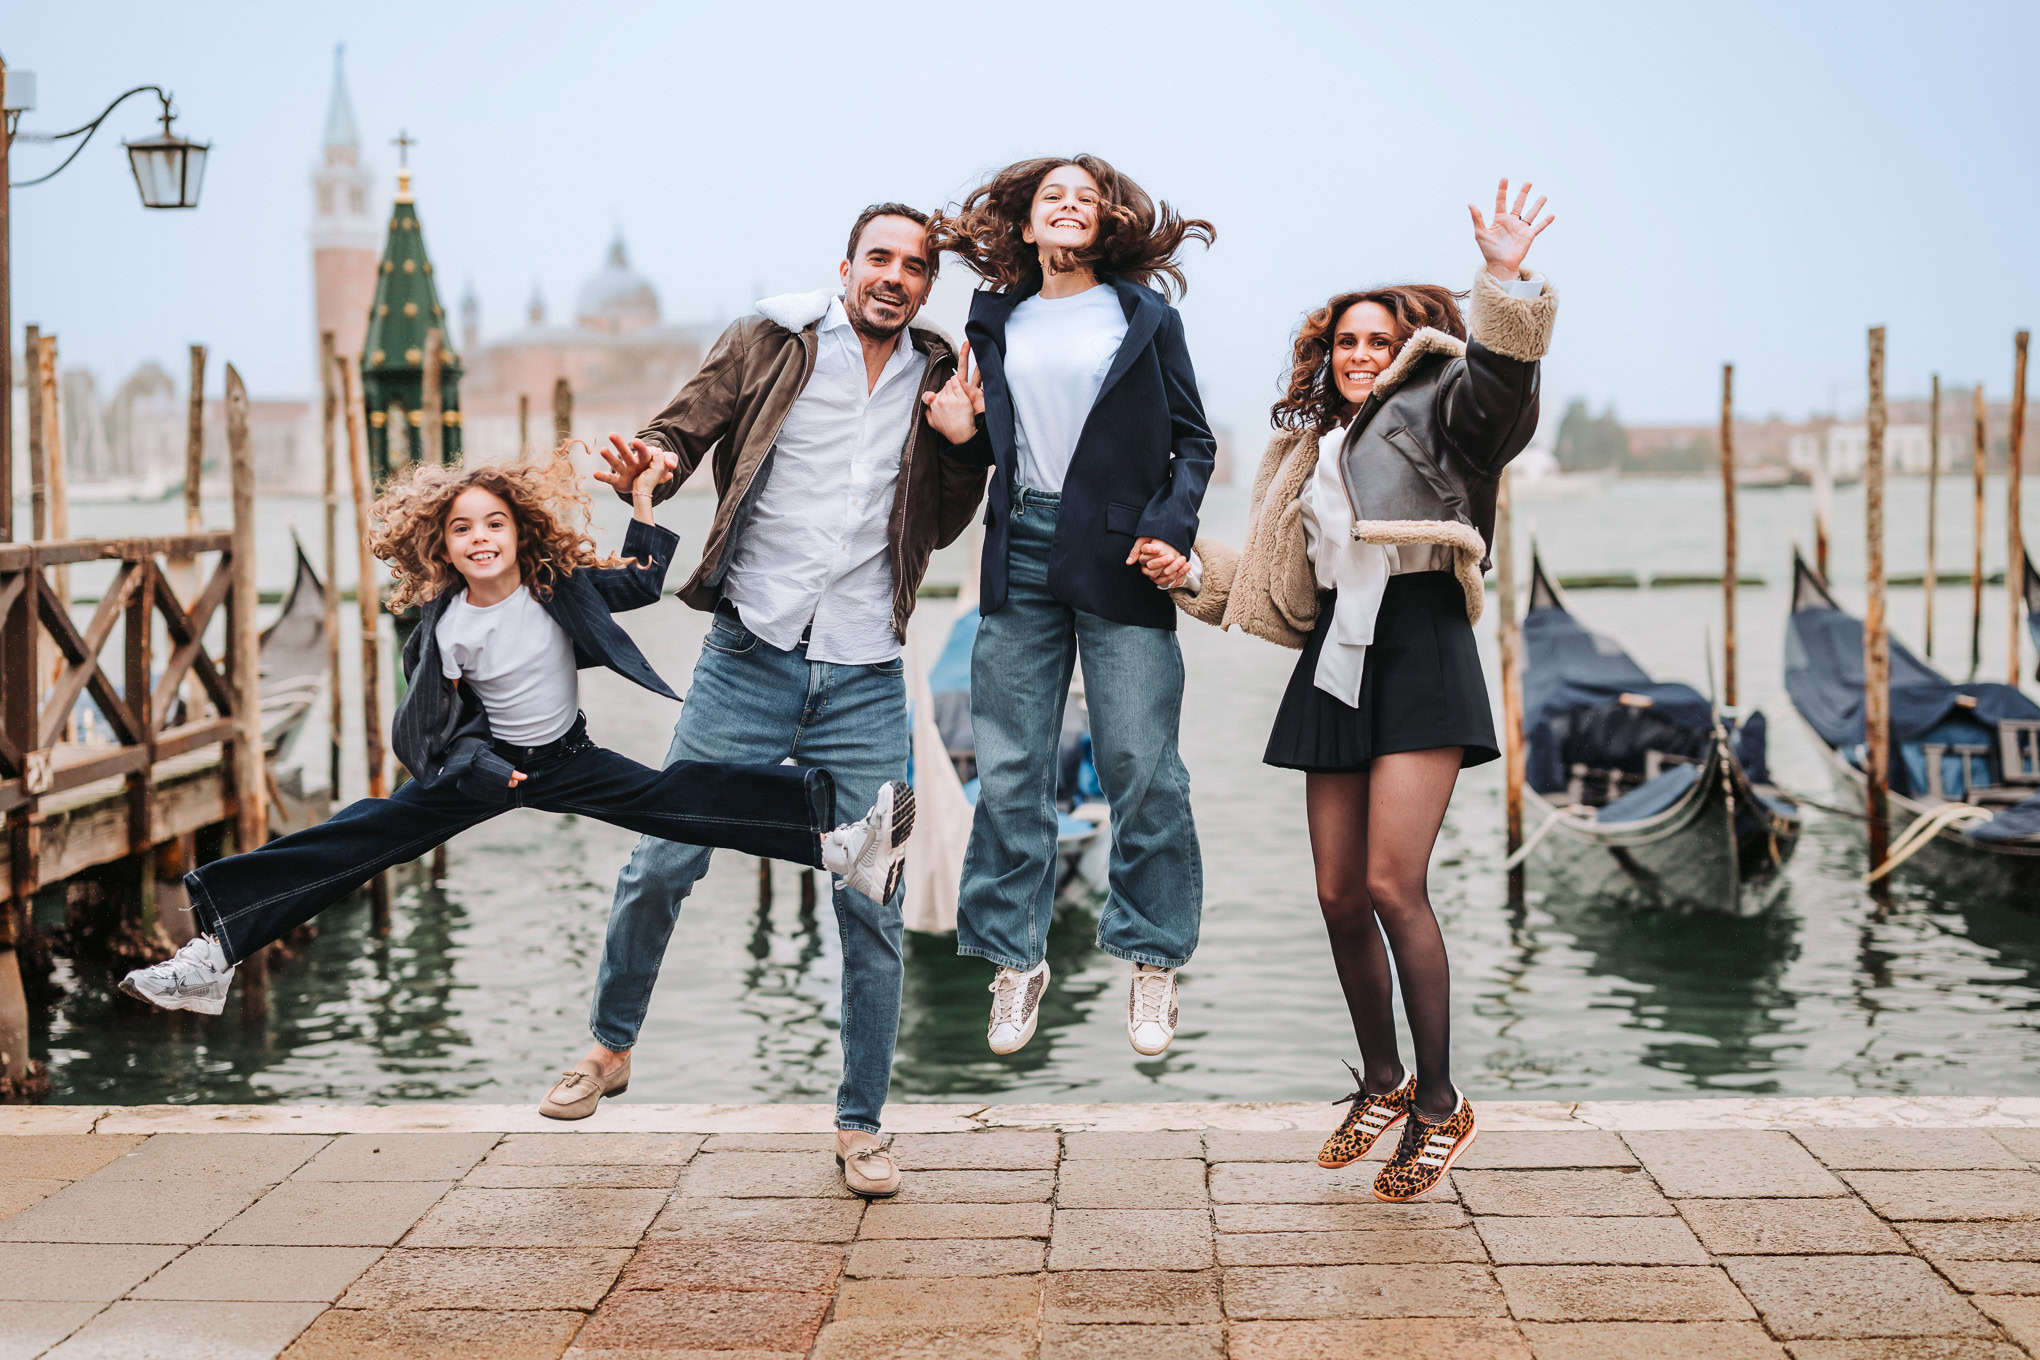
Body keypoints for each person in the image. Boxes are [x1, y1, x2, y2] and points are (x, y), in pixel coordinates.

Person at [122, 449, 912, 1018]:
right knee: (358, 835)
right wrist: (483, 770)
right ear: (444, 544)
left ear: (519, 530)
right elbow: (432, 733)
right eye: (462, 528)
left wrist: (640, 504)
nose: (480, 537)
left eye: (493, 522)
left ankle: (838, 848)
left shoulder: (552, 588)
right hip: (483, 769)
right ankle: (213, 955)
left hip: (568, 760)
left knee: (680, 799)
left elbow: (639, 583)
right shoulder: (447, 630)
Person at [560, 203, 992, 1198]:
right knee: (663, 859)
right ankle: (610, 1046)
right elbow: (680, 428)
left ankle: (861, 1126)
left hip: (867, 674)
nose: (895, 275)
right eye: (878, 257)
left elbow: (945, 516)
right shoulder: (771, 336)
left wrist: (965, 444)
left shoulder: (939, 369)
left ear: (928, 283)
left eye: (915, 265)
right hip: (748, 655)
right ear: (846, 265)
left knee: (871, 901)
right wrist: (654, 465)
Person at [1172, 179, 1558, 1202]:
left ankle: (1441, 1104)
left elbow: (1504, 389)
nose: (1357, 356)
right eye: (1344, 341)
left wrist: (1504, 283)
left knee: (1395, 884)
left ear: (1409, 349)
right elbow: (1272, 580)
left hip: (1422, 645)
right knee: (1339, 893)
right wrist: (1189, 574)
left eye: (1376, 341)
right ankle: (1381, 1082)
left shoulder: (1448, 414)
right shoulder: (1308, 452)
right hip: (1334, 664)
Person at [927, 155, 1215, 1060]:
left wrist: (1171, 529)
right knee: (1010, 767)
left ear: (1105, 224)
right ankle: (1016, 961)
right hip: (1022, 545)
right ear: (1025, 221)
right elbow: (987, 450)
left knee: (1142, 763)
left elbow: (1193, 441)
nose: (1068, 206)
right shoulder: (993, 319)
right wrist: (959, 434)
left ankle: (1153, 956)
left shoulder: (1144, 317)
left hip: (1121, 548)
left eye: (1085, 198)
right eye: (1052, 195)